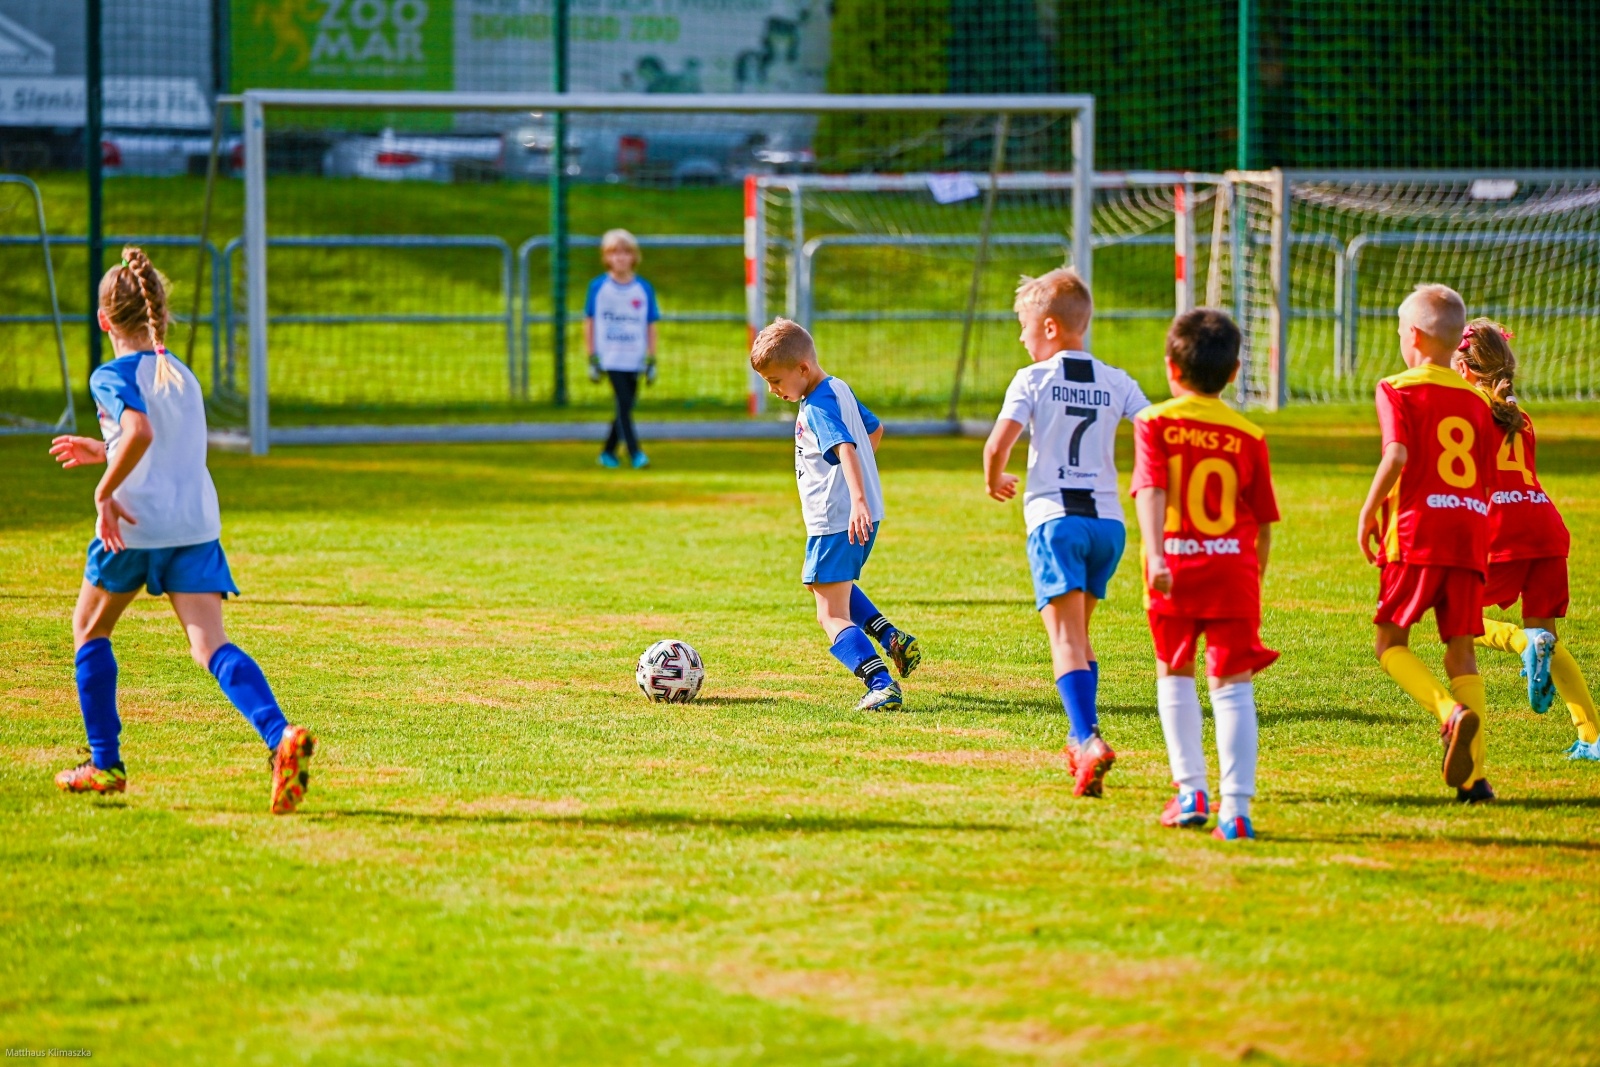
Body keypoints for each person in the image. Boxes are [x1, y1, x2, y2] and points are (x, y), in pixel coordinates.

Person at [47, 246, 316, 814]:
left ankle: (105, 764)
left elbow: (140, 432)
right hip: (193, 525)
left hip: (132, 524)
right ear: (160, 314)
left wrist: (102, 492)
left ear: (103, 320)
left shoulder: (109, 374)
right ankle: (281, 736)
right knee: (210, 646)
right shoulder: (183, 376)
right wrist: (102, 450)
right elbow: (158, 442)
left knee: (89, 632)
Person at [982, 267, 1149, 796]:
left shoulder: (1032, 379)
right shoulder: (1117, 380)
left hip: (1056, 523)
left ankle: (1086, 738)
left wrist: (994, 479)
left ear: (1050, 328)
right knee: (1079, 636)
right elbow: (1154, 428)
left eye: (1025, 327)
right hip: (1108, 527)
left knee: (1066, 640)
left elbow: (997, 446)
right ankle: (1082, 749)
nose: (1022, 338)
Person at [1132, 310, 1279, 840]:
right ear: (1236, 371)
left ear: (1172, 368)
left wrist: (1158, 554)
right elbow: (1262, 523)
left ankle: (1191, 791)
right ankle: (1236, 809)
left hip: (1174, 565)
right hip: (1232, 572)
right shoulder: (1249, 433)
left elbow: (1150, 490)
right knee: (1232, 687)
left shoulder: (1154, 422)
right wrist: (1253, 577)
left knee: (1175, 674)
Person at [1357, 284, 1501, 803]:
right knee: (1462, 653)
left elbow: (1396, 456)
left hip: (1417, 533)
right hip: (1468, 534)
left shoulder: (1397, 387)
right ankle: (1474, 781)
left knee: (1390, 644)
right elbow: (1485, 482)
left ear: (1413, 335)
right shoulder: (1479, 402)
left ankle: (1449, 712)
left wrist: (1369, 509)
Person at [749, 317, 921, 711]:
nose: (773, 390)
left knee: (830, 615)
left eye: (776, 380)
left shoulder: (817, 407)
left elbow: (845, 445)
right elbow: (873, 430)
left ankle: (880, 683)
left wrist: (855, 496)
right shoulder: (837, 387)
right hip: (859, 516)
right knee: (821, 586)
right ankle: (892, 637)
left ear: (802, 369)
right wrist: (861, 491)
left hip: (838, 519)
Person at [1453, 318, 1598, 761]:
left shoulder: (1466, 413)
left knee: (1458, 620)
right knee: (1548, 636)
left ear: (1463, 369)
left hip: (1504, 528)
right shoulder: (1520, 415)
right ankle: (1592, 737)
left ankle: (1521, 644)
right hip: (1546, 528)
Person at [585, 228, 660, 470]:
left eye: (625, 252)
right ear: (606, 257)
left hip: (634, 356)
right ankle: (636, 453)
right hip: (610, 357)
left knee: (625, 407)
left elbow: (651, 324)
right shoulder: (598, 287)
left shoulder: (643, 289)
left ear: (634, 256)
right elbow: (590, 323)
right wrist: (592, 357)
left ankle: (607, 452)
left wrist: (652, 358)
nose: (620, 258)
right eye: (614, 252)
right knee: (624, 404)